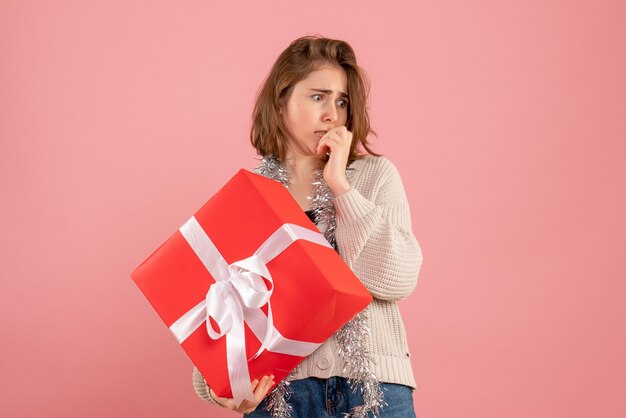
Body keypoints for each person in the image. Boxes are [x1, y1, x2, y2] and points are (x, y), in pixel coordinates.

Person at [192, 35, 424, 417]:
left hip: (374, 390)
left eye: (342, 101)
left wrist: (342, 188)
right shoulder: (248, 197)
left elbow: (397, 278)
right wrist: (224, 388)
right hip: (282, 398)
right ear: (282, 100)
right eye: (318, 97)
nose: (332, 113)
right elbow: (219, 308)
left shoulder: (373, 176)